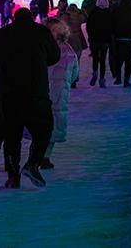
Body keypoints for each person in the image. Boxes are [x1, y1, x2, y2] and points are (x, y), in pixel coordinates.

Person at [0, 8, 60, 188]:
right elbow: (54, 56)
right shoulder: (41, 32)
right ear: (31, 18)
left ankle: (13, 177)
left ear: (14, 18)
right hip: (36, 90)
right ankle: (33, 163)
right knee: (44, 128)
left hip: (9, 92)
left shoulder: (2, 34)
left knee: (12, 136)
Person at [44, 18, 78, 169]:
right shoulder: (69, 51)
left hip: (43, 92)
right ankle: (45, 156)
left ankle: (40, 155)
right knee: (53, 125)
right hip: (58, 95)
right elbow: (74, 74)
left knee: (41, 124)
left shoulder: (41, 48)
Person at [111, 0, 131, 87]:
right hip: (129, 38)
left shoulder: (117, 10)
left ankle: (118, 77)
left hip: (118, 38)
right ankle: (126, 80)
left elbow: (112, 22)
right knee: (128, 60)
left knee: (118, 59)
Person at [86, 0, 113, 87]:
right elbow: (112, 27)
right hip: (105, 40)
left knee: (95, 58)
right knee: (102, 60)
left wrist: (90, 36)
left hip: (94, 40)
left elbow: (88, 26)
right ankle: (102, 78)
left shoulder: (93, 13)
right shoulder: (109, 14)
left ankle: (95, 72)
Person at [62, 4, 87, 88]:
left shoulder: (65, 16)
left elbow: (59, 20)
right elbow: (85, 19)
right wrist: (82, 12)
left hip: (68, 41)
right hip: (78, 41)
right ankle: (75, 79)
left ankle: (68, 78)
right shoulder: (79, 16)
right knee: (77, 61)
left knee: (67, 62)